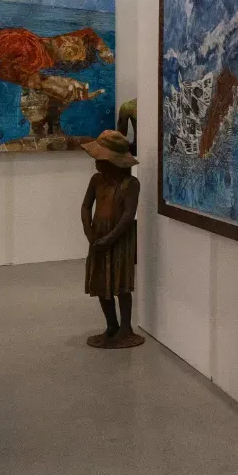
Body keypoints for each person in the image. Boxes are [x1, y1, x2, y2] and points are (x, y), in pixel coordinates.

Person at [80, 130, 142, 348]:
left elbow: (128, 215)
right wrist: (89, 232)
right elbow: (86, 206)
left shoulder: (130, 184)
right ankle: (111, 325)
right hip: (98, 236)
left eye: (100, 158)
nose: (96, 162)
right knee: (101, 282)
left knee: (121, 284)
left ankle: (125, 328)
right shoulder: (96, 180)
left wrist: (110, 238)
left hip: (120, 238)